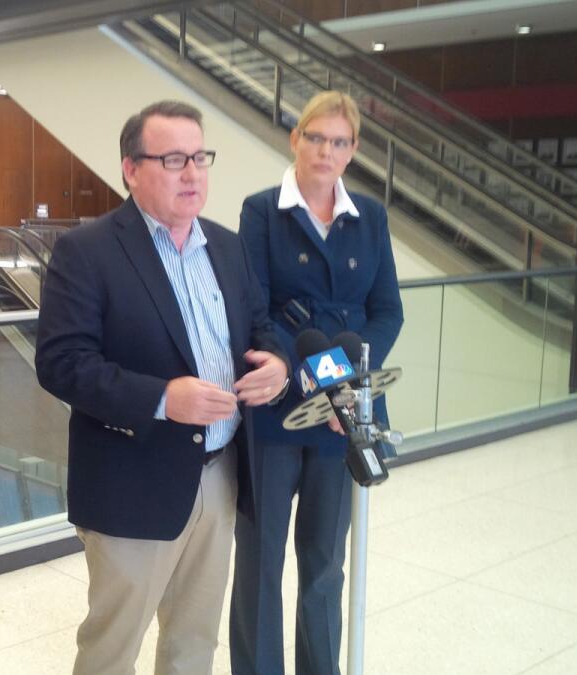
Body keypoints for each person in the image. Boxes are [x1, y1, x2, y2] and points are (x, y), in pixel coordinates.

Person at [35, 100, 289, 675]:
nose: (193, 173)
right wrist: (160, 399)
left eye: (200, 157)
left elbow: (260, 326)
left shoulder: (226, 246)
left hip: (221, 474)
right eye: (173, 159)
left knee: (194, 642)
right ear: (131, 169)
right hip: (132, 479)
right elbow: (61, 363)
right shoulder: (89, 251)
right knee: (111, 647)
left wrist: (275, 359)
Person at [228, 90, 404, 675]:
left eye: (339, 142)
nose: (325, 151)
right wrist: (323, 381)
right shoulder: (261, 211)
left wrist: (345, 389)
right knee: (260, 562)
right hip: (279, 406)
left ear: (352, 152)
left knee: (326, 564)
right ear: (295, 139)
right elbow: (257, 309)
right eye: (315, 137)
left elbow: (387, 312)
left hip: (344, 416)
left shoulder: (370, 217)